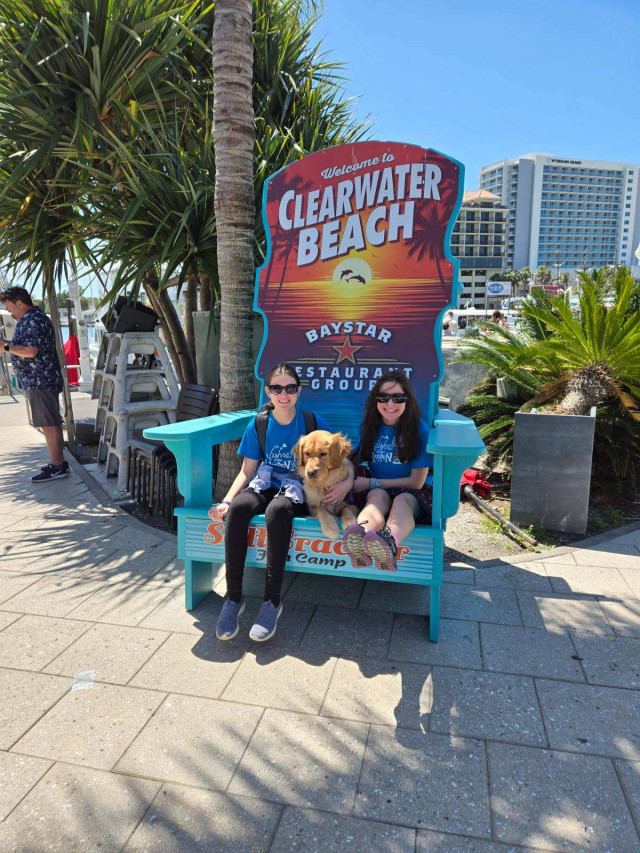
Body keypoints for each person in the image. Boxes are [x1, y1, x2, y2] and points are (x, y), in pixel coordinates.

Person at [208, 363, 350, 642]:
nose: (283, 394)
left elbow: (340, 459)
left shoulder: (312, 423)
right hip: (265, 482)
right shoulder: (259, 423)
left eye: (290, 388)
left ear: (298, 391)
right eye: (277, 388)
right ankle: (234, 598)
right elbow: (247, 471)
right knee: (238, 509)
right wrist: (226, 499)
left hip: (298, 489)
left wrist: (346, 484)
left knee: (278, 510)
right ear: (268, 391)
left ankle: (271, 601)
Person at [342, 371, 433, 572]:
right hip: (378, 489)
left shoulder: (419, 429)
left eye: (398, 398)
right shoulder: (369, 426)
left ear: (407, 400)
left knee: (401, 501)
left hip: (413, 493)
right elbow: (353, 457)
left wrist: (372, 483)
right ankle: (359, 535)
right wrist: (347, 481)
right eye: (383, 397)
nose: (390, 403)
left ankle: (388, 542)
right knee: (376, 499)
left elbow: (416, 482)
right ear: (376, 400)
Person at [0, 287, 68, 482]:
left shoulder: (33, 320)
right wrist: (5, 343)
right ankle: (58, 463)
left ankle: (57, 466)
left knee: (49, 424)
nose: (10, 311)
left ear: (19, 303)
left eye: (9, 307)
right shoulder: (32, 319)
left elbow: (30, 351)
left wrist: (5, 346)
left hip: (40, 380)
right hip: (41, 379)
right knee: (51, 422)